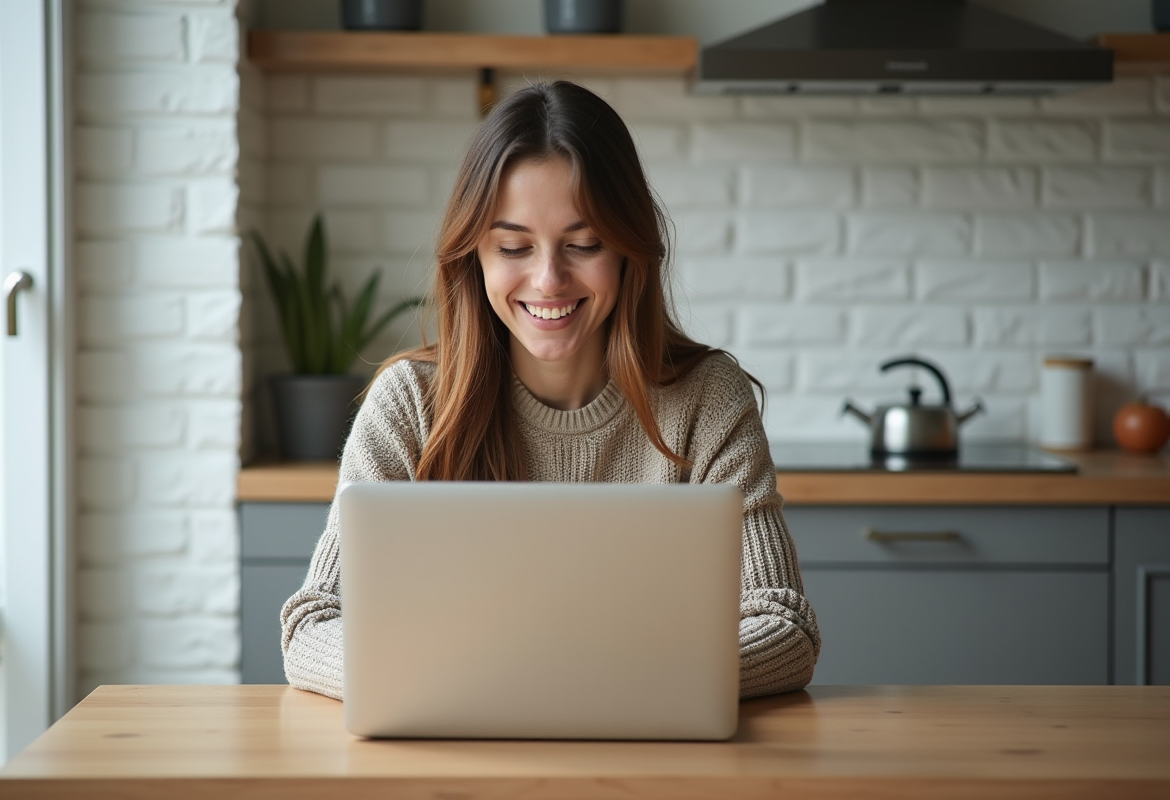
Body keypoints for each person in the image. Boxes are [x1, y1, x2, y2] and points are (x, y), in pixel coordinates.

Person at [280, 80, 821, 701]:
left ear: (628, 251)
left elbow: (784, 625)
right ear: (473, 257)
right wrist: (455, 681)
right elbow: (314, 622)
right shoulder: (410, 403)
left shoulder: (707, 399)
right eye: (514, 246)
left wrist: (594, 683)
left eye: (584, 245)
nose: (548, 279)